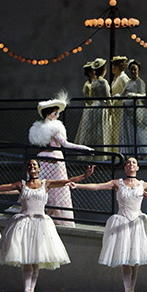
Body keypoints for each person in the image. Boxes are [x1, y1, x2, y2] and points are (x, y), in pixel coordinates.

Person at [0, 160, 94, 292]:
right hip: (23, 224)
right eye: (30, 165)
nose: (32, 167)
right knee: (27, 261)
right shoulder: (21, 184)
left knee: (36, 260)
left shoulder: (47, 183)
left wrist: (85, 175)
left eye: (35, 165)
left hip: (40, 224)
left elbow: (67, 181)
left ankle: (31, 291)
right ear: (27, 169)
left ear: (39, 169)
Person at [68, 158, 147, 292]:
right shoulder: (117, 183)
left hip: (137, 223)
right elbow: (97, 187)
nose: (130, 165)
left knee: (135, 260)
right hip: (122, 222)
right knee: (125, 259)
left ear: (138, 167)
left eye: (133, 163)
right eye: (128, 163)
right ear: (125, 168)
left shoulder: (143, 184)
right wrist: (78, 185)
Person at [28, 91, 94, 226]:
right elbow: (66, 144)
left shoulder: (40, 128)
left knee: (44, 186)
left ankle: (44, 214)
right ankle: (59, 218)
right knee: (59, 186)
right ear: (48, 114)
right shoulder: (54, 128)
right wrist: (84, 148)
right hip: (55, 160)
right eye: (55, 113)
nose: (57, 116)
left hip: (44, 158)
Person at [112, 59, 147, 158]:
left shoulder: (140, 82)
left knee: (139, 131)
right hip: (127, 110)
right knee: (128, 131)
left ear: (138, 70)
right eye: (131, 69)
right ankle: (129, 152)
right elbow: (123, 94)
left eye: (135, 69)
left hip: (136, 109)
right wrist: (118, 96)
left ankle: (142, 153)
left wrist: (134, 95)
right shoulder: (128, 82)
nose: (133, 71)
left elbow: (143, 95)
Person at [74, 60, 112, 153]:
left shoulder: (94, 82)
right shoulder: (103, 82)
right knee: (101, 130)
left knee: (95, 130)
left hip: (94, 106)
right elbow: (107, 97)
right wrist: (111, 109)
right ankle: (102, 151)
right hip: (101, 106)